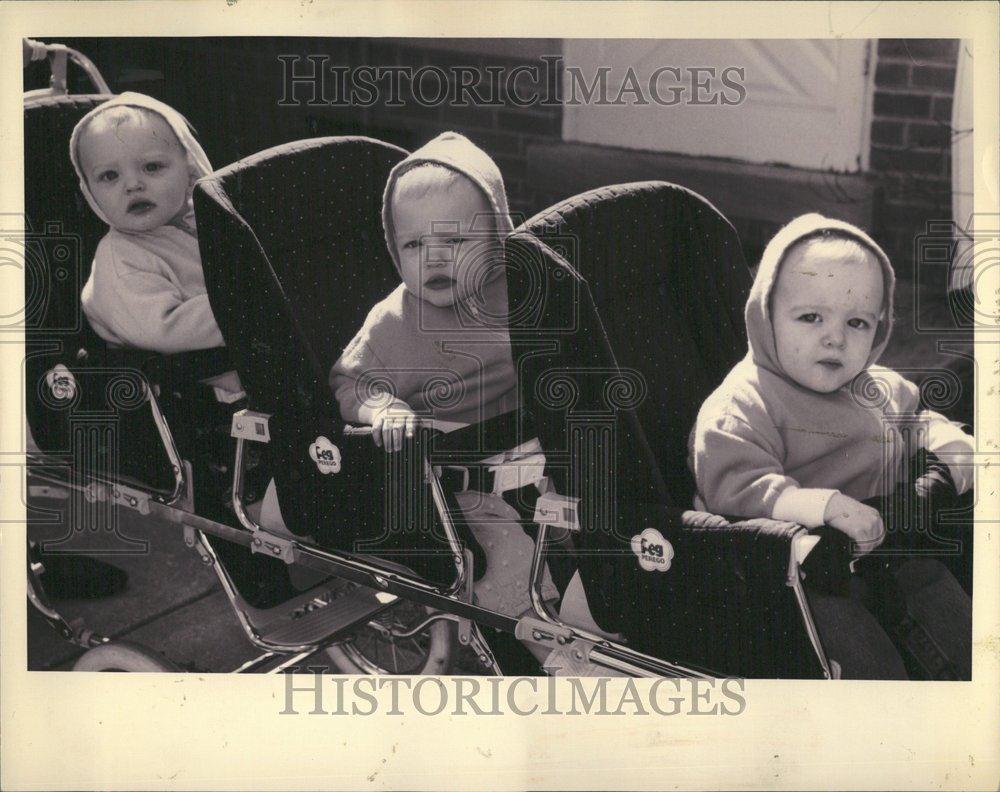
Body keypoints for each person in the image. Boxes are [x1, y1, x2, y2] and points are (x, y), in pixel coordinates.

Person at [690, 213, 975, 679]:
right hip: (799, 577)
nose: (835, 337)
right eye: (811, 317)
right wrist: (824, 506)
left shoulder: (874, 387)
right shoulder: (743, 404)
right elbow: (734, 485)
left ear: (879, 330)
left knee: (952, 614)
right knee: (866, 662)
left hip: (891, 546)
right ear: (766, 315)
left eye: (858, 322)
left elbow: (918, 418)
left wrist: (949, 449)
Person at [329, 131, 561, 623]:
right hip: (457, 476)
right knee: (508, 555)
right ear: (394, 249)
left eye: (454, 240)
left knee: (586, 524)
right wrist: (383, 408)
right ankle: (535, 639)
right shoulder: (395, 321)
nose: (433, 258)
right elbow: (350, 381)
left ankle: (596, 612)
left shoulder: (520, 294)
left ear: (497, 238)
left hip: (531, 451)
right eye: (414, 244)